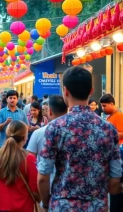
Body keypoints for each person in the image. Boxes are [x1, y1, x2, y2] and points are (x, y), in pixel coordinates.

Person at [38, 67, 123, 212]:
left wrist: (46, 205)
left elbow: (43, 177)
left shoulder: (55, 127)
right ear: (91, 90)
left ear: (65, 91)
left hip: (62, 205)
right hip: (97, 206)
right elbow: (115, 179)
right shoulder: (108, 129)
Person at [100, 93, 123, 212]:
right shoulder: (109, 117)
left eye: (104, 106)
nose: (103, 109)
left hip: (119, 153)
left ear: (112, 104)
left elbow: (122, 132)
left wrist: (109, 134)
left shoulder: (119, 116)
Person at [27, 95, 67, 163]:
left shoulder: (38, 133)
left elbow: (30, 158)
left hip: (43, 172)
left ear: (50, 111)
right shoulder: (77, 131)